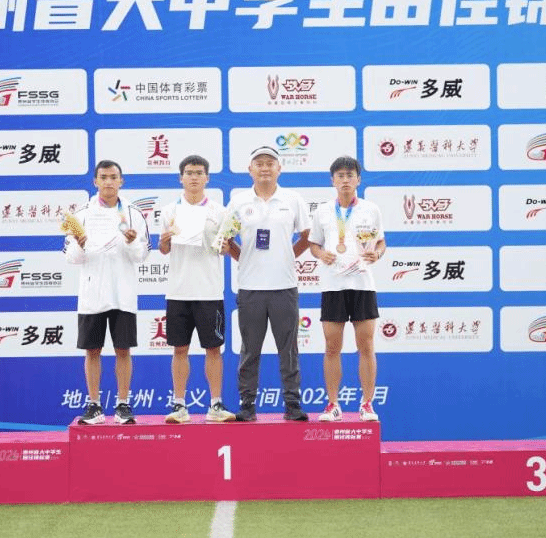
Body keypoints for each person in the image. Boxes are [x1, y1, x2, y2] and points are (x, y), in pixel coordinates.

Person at [224, 146, 311, 421]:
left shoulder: (292, 199)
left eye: (270, 163)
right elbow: (226, 239)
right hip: (250, 287)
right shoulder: (238, 201)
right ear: (250, 169)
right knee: (250, 350)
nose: (264, 168)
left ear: (279, 169)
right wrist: (243, 258)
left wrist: (287, 256)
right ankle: (247, 405)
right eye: (259, 163)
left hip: (284, 286)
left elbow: (307, 235)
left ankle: (292, 404)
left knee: (289, 349)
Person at [64, 160, 150, 425]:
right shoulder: (80, 215)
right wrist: (79, 245)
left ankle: (123, 405)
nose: (109, 182)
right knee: (92, 351)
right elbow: (72, 258)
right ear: (95, 181)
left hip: (122, 293)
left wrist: (132, 242)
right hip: (92, 294)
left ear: (121, 181)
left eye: (114, 177)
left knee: (123, 350)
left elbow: (142, 255)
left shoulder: (134, 214)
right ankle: (94, 406)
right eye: (104, 177)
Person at [158, 155, 237, 423]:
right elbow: (164, 249)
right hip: (178, 291)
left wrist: (226, 247)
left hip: (209, 291)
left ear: (207, 178)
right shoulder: (169, 211)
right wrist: (164, 242)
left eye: (199, 172)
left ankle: (215, 405)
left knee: (213, 349)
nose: (194, 177)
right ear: (180, 178)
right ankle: (179, 405)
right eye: (189, 173)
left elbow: (225, 248)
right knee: (179, 349)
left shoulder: (220, 212)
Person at [307, 156, 385, 422]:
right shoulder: (322, 211)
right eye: (340, 176)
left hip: (362, 284)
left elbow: (381, 242)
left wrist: (378, 253)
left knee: (366, 346)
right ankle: (333, 404)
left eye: (350, 175)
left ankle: (367, 404)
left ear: (358, 180)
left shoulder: (371, 209)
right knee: (332, 346)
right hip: (333, 285)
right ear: (332, 180)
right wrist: (321, 254)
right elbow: (314, 244)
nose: (345, 180)